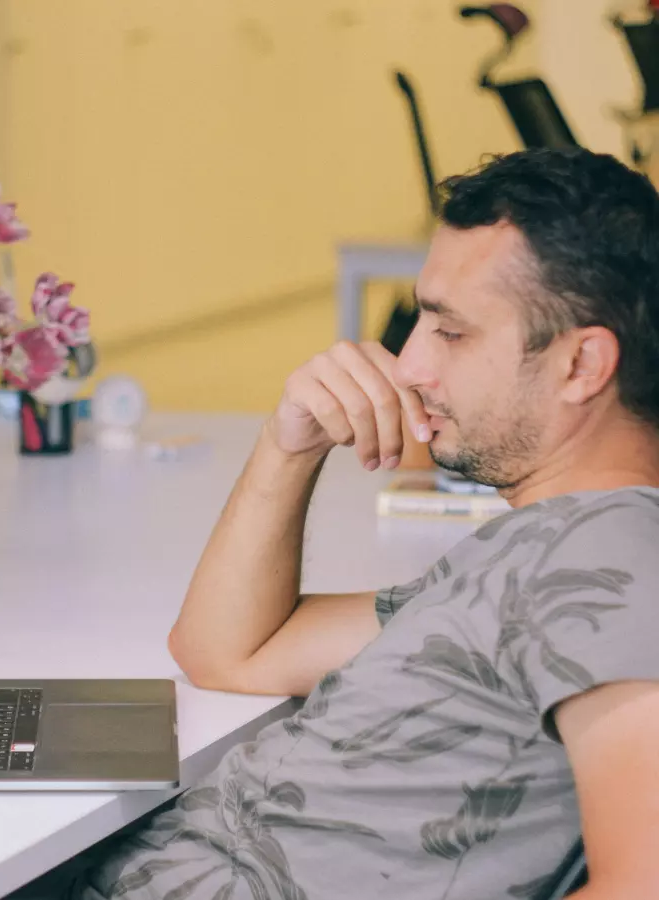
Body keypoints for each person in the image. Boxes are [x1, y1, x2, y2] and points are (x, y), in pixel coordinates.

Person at [39, 147, 659, 898]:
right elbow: (226, 653)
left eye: (451, 333)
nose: (408, 367)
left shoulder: (612, 559)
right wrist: (288, 445)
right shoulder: (539, 555)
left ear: (582, 366)